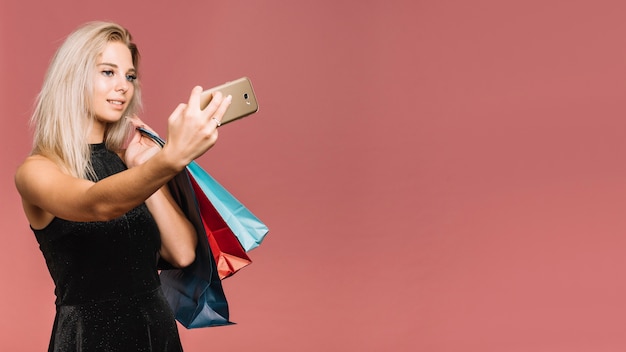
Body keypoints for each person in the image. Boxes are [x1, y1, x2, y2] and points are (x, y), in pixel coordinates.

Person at [14, 21, 232, 351]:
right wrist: (169, 159)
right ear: (72, 78)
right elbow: (97, 204)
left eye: (129, 76)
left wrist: (145, 167)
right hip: (90, 340)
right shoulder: (37, 171)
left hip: (156, 335)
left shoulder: (128, 166)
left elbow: (182, 252)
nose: (124, 87)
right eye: (107, 72)